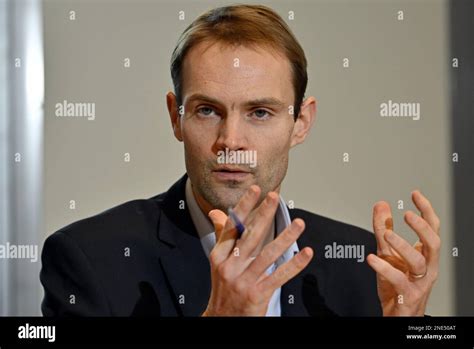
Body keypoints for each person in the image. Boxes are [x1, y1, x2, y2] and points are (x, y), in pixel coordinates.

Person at [40, 4, 441, 317]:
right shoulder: (90, 259)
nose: (231, 141)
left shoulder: (360, 262)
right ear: (175, 117)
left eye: (260, 112)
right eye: (208, 111)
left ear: (300, 123)